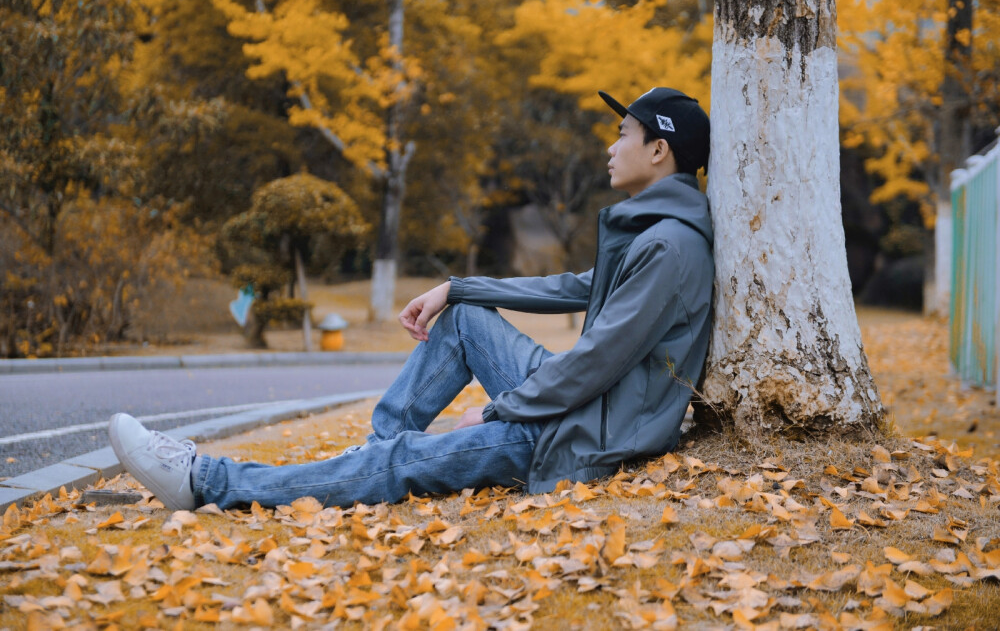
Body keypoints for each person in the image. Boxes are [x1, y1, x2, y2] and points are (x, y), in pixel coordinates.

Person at [108, 87, 714, 511]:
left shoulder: (667, 247)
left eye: (622, 135)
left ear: (658, 150)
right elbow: (573, 289)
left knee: (406, 463)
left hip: (581, 436)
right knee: (467, 321)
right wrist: (458, 287)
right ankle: (372, 450)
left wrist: (506, 411)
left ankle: (204, 481)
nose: (611, 148)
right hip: (584, 407)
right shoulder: (655, 233)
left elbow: (598, 359)